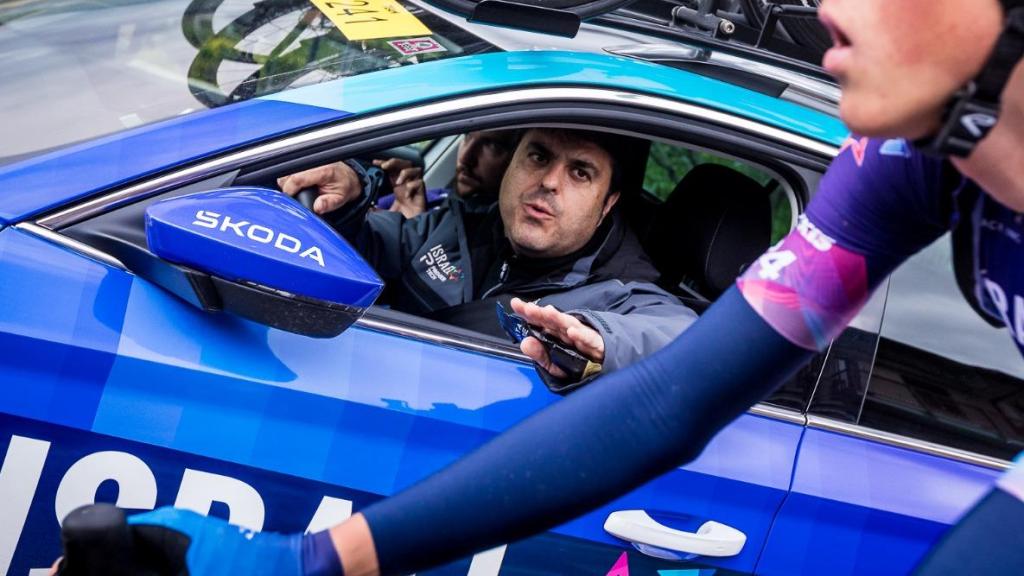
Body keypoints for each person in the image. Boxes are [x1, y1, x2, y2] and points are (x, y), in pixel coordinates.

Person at [51, 0, 1024, 574]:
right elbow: (672, 401)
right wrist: (304, 563)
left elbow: (655, 340)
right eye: (536, 157)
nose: (829, 7)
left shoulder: (630, 289)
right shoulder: (905, 164)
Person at [278, 127, 696, 386]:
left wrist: (604, 339)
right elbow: (370, 244)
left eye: (580, 172)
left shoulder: (621, 294)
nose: (550, 181)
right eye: (539, 156)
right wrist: (353, 194)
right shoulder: (460, 225)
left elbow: (685, 337)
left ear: (608, 204)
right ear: (512, 164)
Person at [373, 129, 519, 217]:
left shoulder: (498, 244)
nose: (465, 158)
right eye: (467, 135)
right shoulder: (431, 197)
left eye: (492, 146)